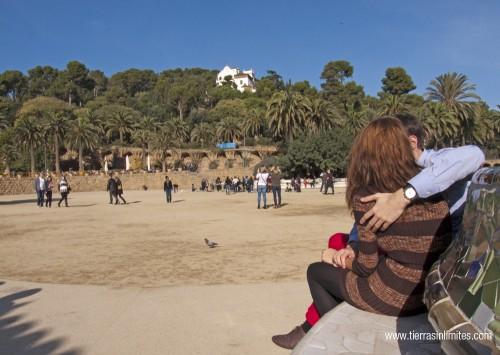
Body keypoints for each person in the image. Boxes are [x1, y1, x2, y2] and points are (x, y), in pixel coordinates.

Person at [271, 117, 452, 350]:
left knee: (316, 271)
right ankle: (310, 327)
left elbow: (366, 266)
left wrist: (337, 258)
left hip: (395, 297)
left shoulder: (368, 195)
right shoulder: (427, 185)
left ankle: (339, 340)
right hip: (427, 293)